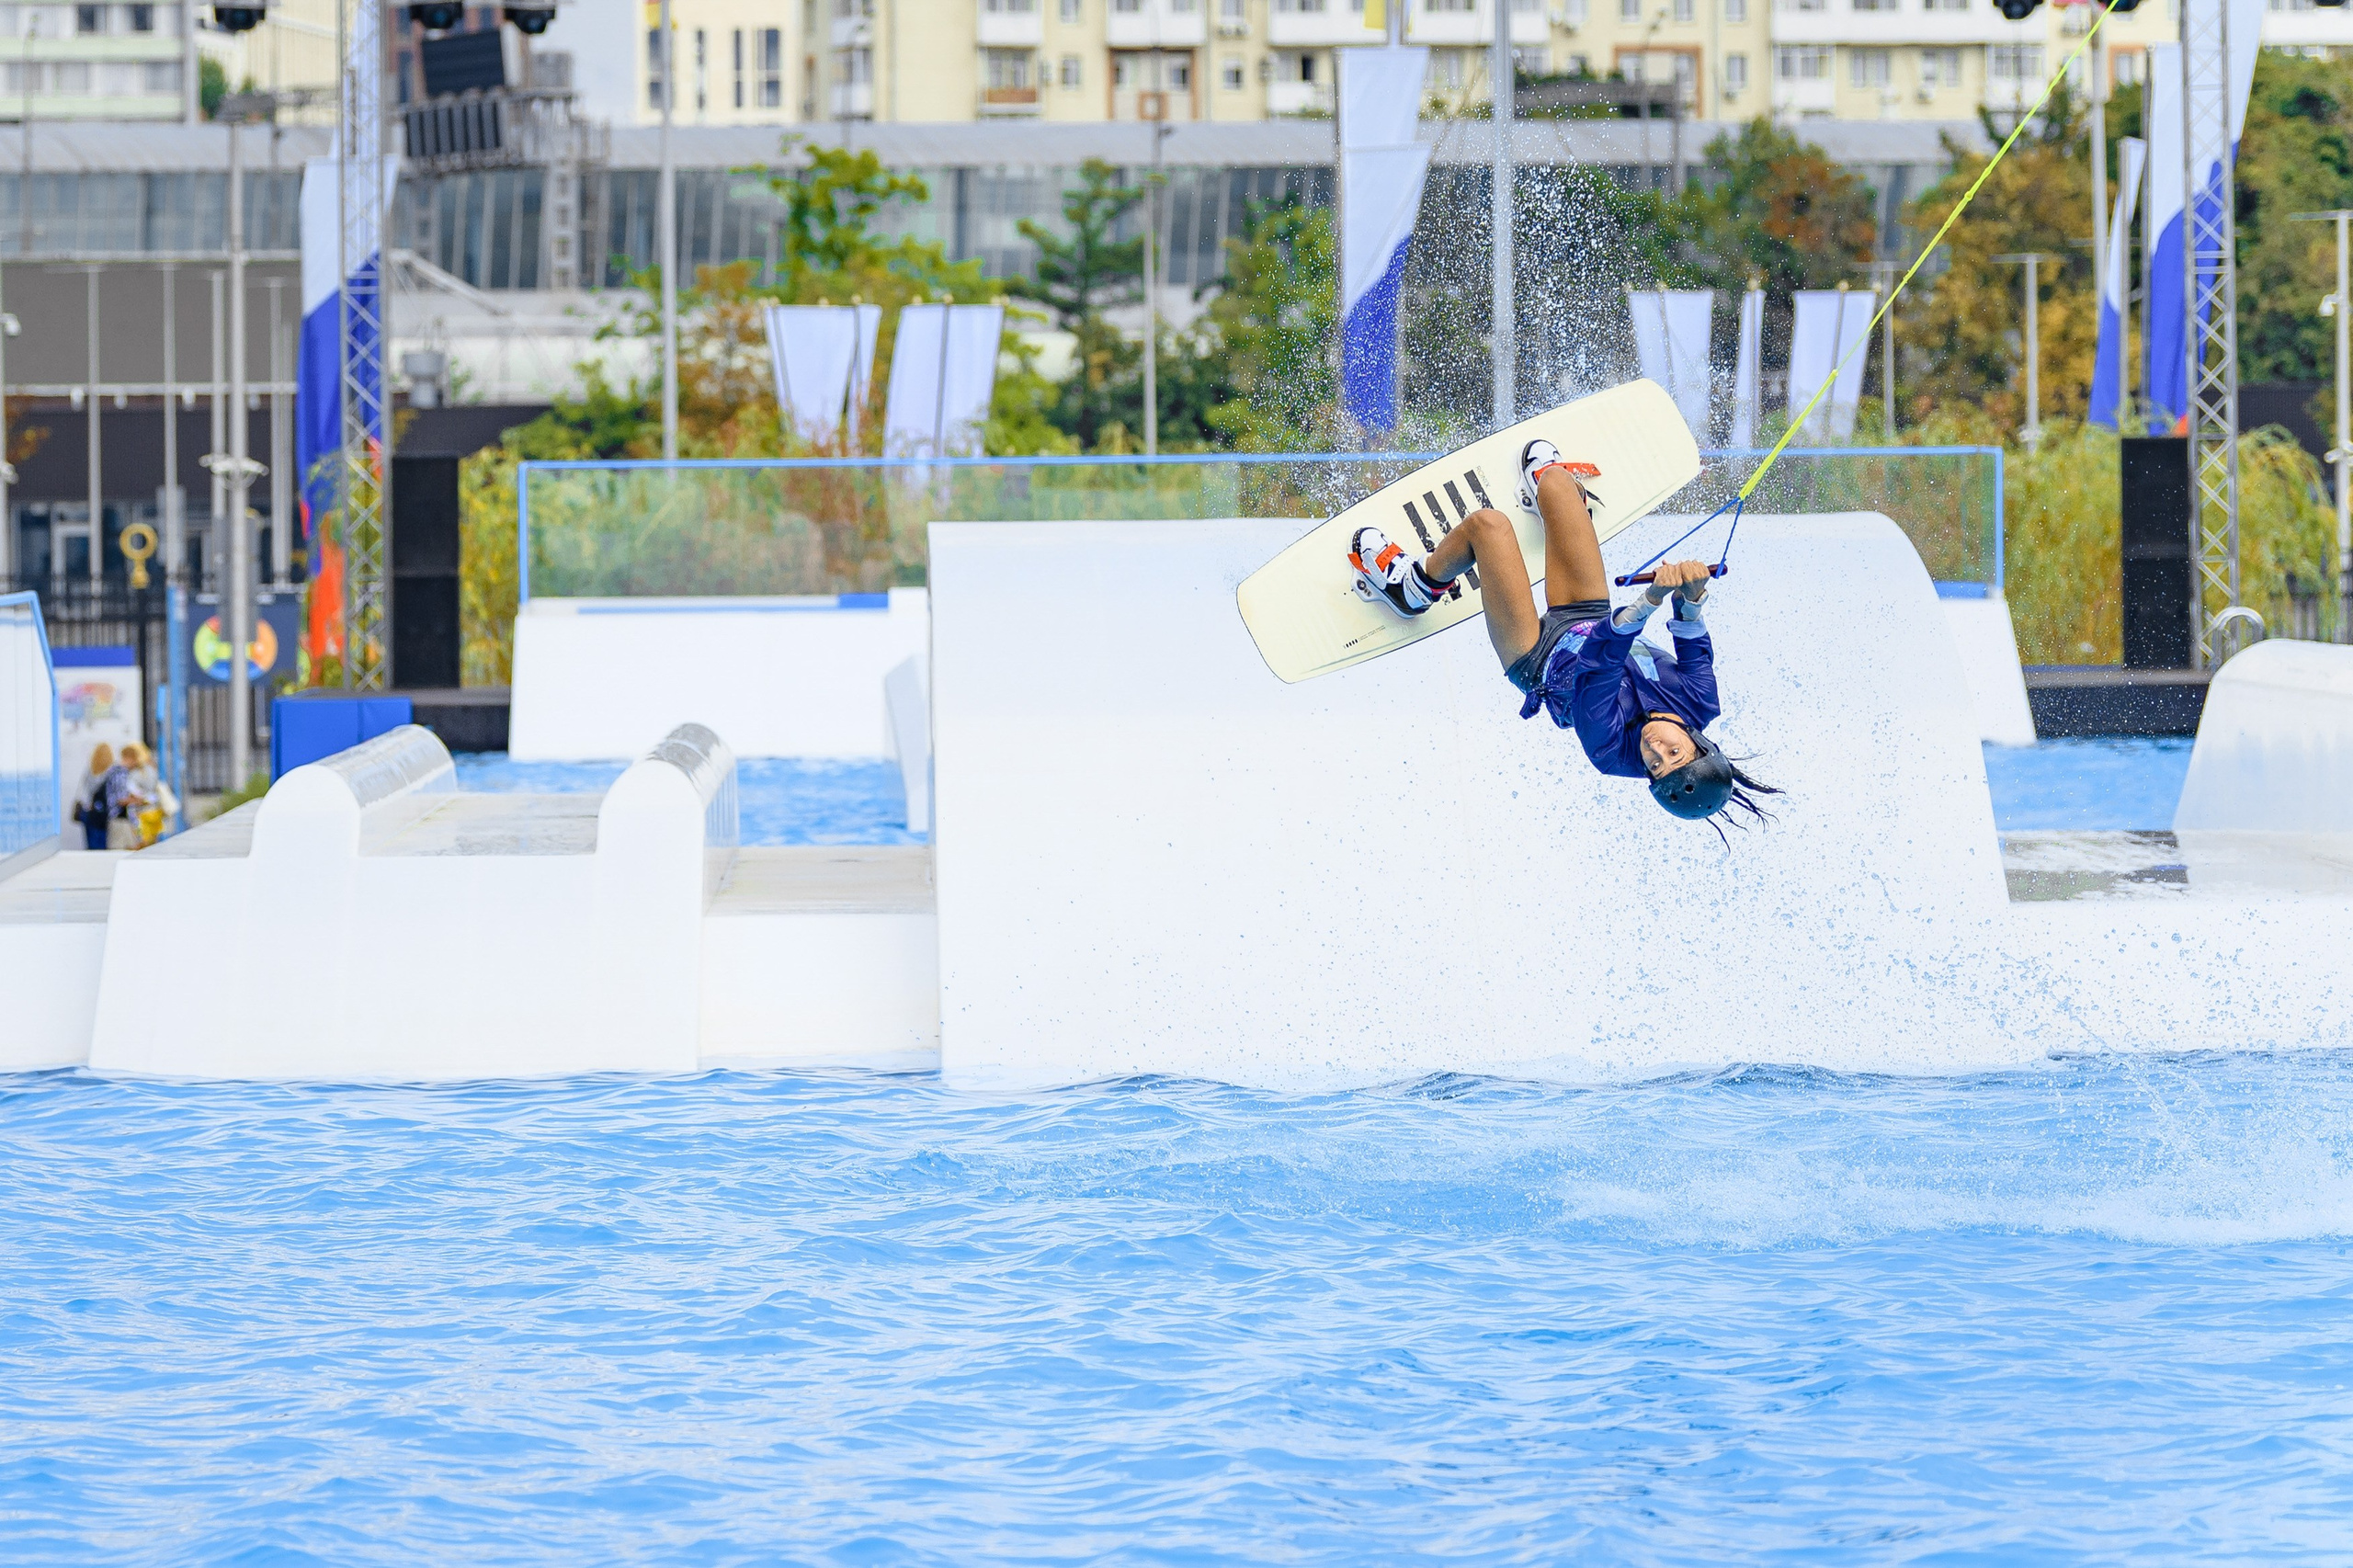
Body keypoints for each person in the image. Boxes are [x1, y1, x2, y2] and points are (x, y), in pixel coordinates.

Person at [1347, 437, 1779, 833]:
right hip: (1587, 615)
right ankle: (1551, 503)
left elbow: (1600, 664)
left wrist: (1649, 600)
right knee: (1555, 481)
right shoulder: (1702, 702)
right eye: (1674, 754)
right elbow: (1691, 636)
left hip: (1536, 657)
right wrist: (1691, 593)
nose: (1654, 750)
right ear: (1700, 743)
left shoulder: (1609, 753)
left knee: (1489, 526)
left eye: (1654, 767)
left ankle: (1412, 589)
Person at [73, 743, 131, 851]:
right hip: (105, 814)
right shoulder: (113, 771)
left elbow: (84, 792)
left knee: (92, 846)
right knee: (106, 846)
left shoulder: (89, 770)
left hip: (89, 812)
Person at [119, 742, 176, 848]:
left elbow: (136, 794)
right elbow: (154, 794)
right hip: (154, 812)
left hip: (140, 815)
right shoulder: (151, 769)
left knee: (141, 845)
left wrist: (129, 800)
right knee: (153, 844)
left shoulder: (134, 774)